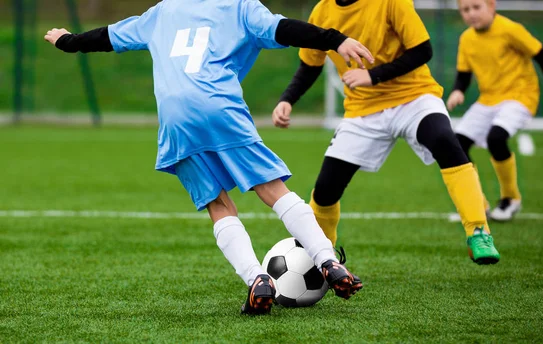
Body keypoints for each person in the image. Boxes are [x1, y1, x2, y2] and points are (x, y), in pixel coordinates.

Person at [44, 0, 375, 316]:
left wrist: (68, 41)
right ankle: (327, 260)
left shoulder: (164, 11)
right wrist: (336, 39)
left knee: (218, 205)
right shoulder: (241, 8)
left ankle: (257, 280)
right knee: (271, 189)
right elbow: (287, 30)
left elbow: (108, 37)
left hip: (175, 120)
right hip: (219, 108)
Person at [272, 0, 500, 266]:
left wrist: (373, 76)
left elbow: (423, 50)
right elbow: (310, 65)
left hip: (414, 97)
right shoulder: (322, 11)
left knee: (444, 140)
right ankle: (320, 257)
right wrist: (288, 99)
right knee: (325, 190)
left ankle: (478, 231)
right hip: (363, 109)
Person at [446, 0, 543, 221]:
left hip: (520, 96)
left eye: (476, 7)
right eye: (465, 10)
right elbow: (464, 73)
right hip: (488, 99)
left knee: (496, 138)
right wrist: (458, 91)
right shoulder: (466, 39)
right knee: (457, 144)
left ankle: (510, 198)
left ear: (491, 6)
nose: (471, 13)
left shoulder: (510, 29)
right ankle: (476, 204)